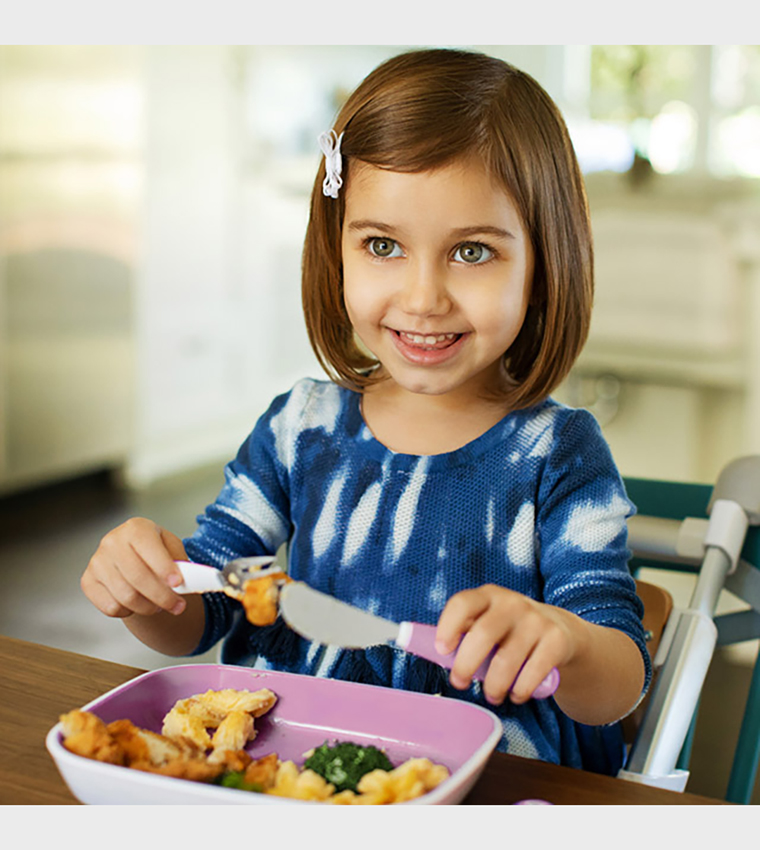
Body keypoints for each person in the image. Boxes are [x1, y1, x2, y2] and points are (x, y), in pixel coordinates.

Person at [82, 48, 651, 775]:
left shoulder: (559, 453)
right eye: (383, 245)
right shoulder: (300, 429)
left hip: (482, 784)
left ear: (544, 265)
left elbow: (617, 684)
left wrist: (565, 641)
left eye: (473, 252)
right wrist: (145, 588)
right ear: (337, 251)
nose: (422, 298)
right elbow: (207, 611)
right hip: (288, 773)